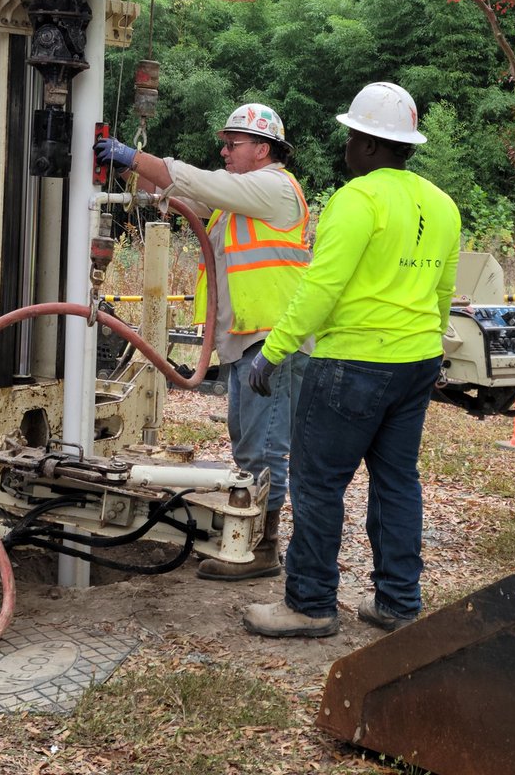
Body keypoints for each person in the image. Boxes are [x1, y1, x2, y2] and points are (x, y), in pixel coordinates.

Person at [241, 82, 461, 638]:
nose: (346, 146)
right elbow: (442, 290)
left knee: (318, 484)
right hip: (416, 363)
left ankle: (310, 604)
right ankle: (398, 602)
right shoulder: (442, 204)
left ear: (366, 143)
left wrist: (274, 350)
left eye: (350, 136)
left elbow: (321, 286)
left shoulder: (356, 200)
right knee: (397, 482)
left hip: (351, 363)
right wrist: (431, 351)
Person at [94, 103, 311, 580]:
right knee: (247, 441)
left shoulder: (274, 188)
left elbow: (199, 182)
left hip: (274, 339)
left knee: (265, 447)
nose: (224, 150)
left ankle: (264, 548)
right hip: (248, 340)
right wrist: (137, 175)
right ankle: (251, 535)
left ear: (263, 149)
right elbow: (180, 196)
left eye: (232, 144)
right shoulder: (240, 202)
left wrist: (131, 154)